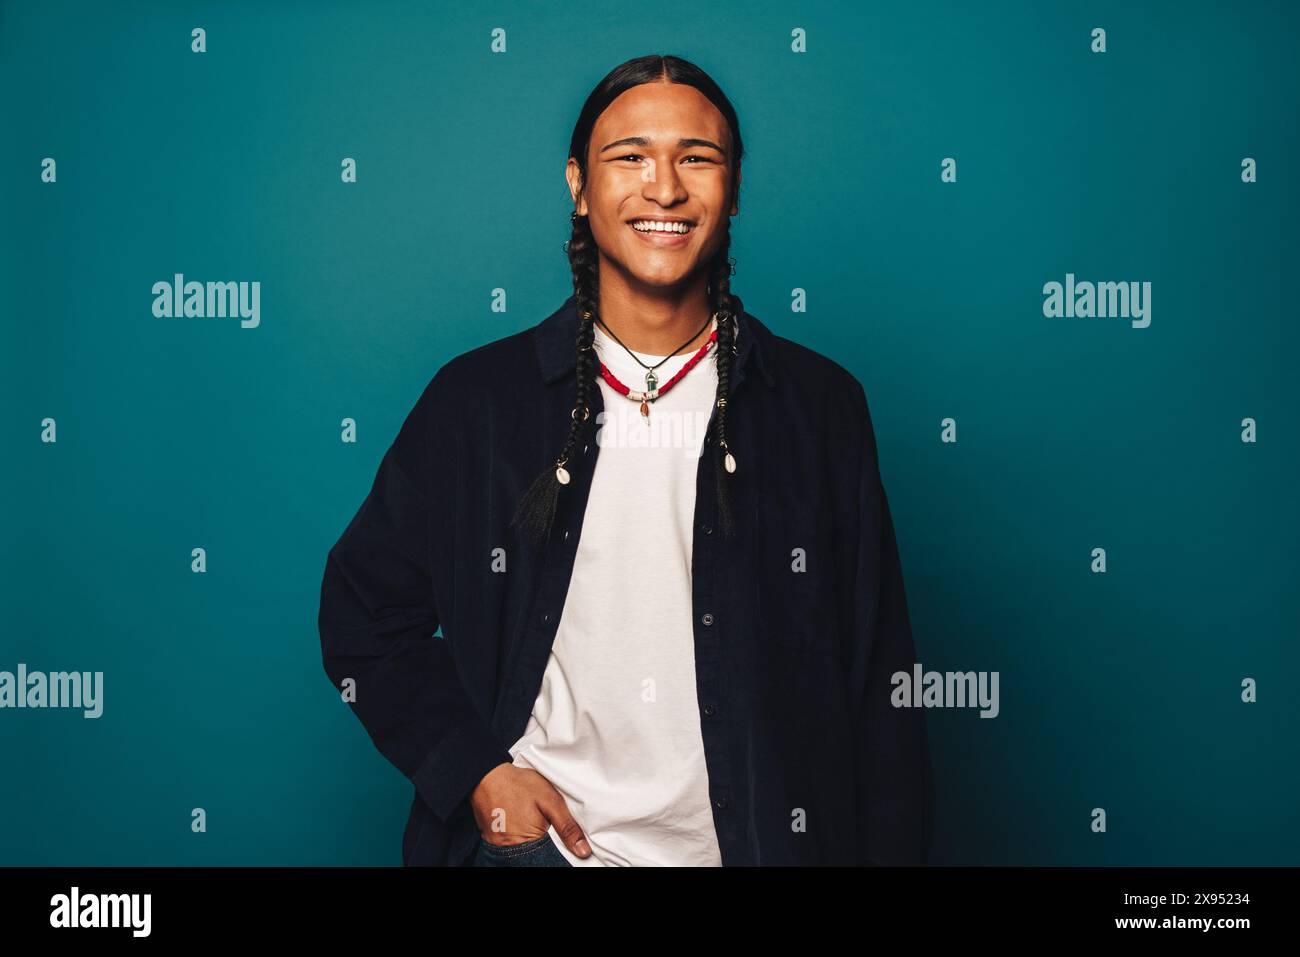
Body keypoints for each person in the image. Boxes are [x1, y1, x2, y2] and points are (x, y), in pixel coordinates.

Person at [317, 53, 933, 867]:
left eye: (697, 158)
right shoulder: (478, 403)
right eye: (630, 156)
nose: (665, 188)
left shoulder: (817, 408)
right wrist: (474, 772)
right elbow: (362, 611)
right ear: (578, 184)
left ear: (735, 188)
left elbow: (878, 688)